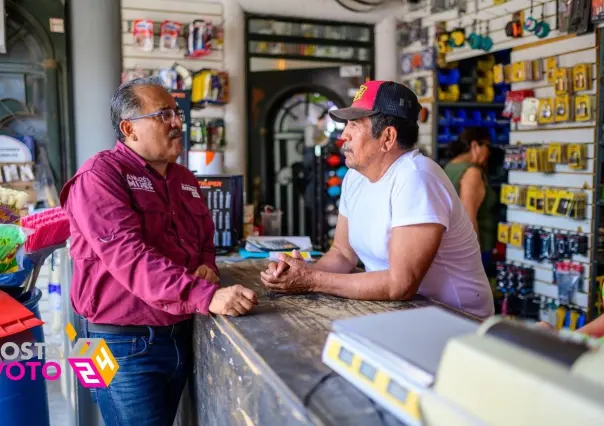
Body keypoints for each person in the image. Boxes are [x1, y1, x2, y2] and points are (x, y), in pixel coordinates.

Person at [60, 76, 258, 426]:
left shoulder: (184, 178)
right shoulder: (99, 176)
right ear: (129, 128)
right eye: (163, 115)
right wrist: (205, 294)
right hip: (114, 343)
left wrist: (206, 266)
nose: (177, 123)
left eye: (177, 113)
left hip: (179, 334)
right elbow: (128, 256)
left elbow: (206, 241)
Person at [260, 81, 494, 319]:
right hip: (402, 314)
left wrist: (311, 280)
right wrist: (294, 272)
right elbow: (342, 253)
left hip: (456, 322)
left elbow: (399, 284)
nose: (344, 135)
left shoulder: (416, 177)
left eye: (354, 125)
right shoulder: (355, 178)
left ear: (387, 137)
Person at [443, 127, 498, 266]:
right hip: (475, 249)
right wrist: (473, 260)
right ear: (475, 145)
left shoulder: (449, 168)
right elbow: (469, 217)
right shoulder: (472, 172)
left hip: (451, 247)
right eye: (487, 146)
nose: (489, 153)